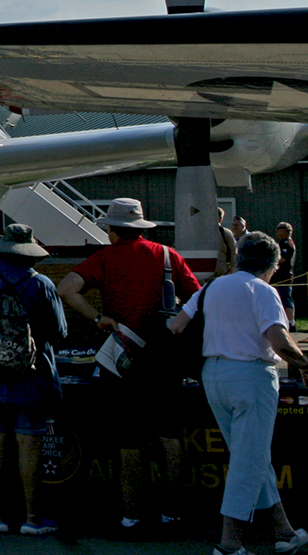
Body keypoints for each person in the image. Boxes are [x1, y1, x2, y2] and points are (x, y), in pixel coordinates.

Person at [58, 197, 200, 531]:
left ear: (111, 231)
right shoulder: (168, 255)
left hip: (122, 359)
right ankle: (173, 513)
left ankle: (132, 516)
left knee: (129, 441)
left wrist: (98, 318)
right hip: (164, 358)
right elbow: (197, 297)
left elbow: (66, 289)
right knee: (169, 436)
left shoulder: (104, 258)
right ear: (143, 227)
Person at [169, 231, 308, 555]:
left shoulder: (212, 287)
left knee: (253, 456)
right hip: (250, 376)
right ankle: (230, 542)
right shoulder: (263, 291)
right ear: (273, 265)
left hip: (213, 375)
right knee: (249, 460)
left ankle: (284, 531)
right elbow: (278, 340)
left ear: (239, 258)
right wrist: (305, 364)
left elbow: (176, 325)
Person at [0, 223, 68, 536]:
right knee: (28, 442)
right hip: (31, 379)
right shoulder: (41, 283)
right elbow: (59, 333)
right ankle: (33, 519)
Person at [276, 223, 298, 327]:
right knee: (281, 298)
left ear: (285, 231)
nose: (277, 232)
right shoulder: (281, 242)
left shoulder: (287, 244)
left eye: (279, 229)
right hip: (279, 275)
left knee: (286, 298)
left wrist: (272, 258)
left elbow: (282, 259)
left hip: (284, 275)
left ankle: (291, 322)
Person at [218, 207, 239, 278]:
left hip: (204, 269)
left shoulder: (200, 233)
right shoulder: (225, 233)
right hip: (222, 269)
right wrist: (232, 269)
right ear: (221, 219)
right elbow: (234, 252)